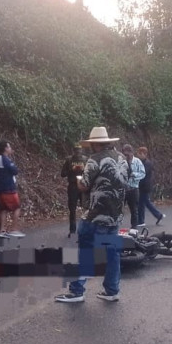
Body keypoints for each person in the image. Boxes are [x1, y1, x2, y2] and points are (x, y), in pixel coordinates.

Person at [55, 126, 128, 303]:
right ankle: (112, 291)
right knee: (112, 252)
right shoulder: (122, 158)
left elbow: (84, 185)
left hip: (96, 214)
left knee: (84, 250)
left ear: (95, 144)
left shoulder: (95, 160)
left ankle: (76, 291)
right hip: (115, 214)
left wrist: (80, 179)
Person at [0, 140, 25, 238]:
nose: (11, 149)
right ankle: (14, 229)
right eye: (9, 147)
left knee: (4, 209)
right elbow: (15, 171)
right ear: (5, 149)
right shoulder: (5, 160)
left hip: (0, 187)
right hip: (8, 188)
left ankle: (2, 230)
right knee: (17, 207)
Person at [61, 144, 86, 237]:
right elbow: (62, 174)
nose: (78, 153)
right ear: (73, 151)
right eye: (76, 151)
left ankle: (84, 229)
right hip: (72, 186)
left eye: (79, 151)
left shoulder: (85, 159)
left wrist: (82, 171)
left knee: (86, 209)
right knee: (72, 209)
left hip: (83, 186)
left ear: (81, 151)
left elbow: (89, 172)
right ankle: (72, 230)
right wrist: (71, 170)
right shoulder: (69, 160)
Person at [136, 146, 165, 226]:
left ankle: (157, 215)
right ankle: (142, 220)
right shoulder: (142, 162)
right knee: (143, 203)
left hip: (145, 186)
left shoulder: (147, 163)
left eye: (140, 154)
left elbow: (143, 175)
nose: (138, 155)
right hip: (143, 186)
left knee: (144, 203)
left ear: (144, 154)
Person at [121, 144, 145, 228]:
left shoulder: (137, 161)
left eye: (128, 154)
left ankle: (134, 227)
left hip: (133, 188)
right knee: (119, 209)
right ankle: (116, 227)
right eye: (125, 154)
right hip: (123, 189)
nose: (127, 156)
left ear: (132, 153)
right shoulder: (121, 162)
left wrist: (133, 175)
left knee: (134, 210)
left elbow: (143, 174)